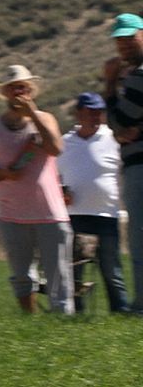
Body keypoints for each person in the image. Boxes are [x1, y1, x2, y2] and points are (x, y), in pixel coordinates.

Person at [0, 65, 72, 314]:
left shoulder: (46, 119)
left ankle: (64, 325)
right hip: (13, 215)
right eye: (13, 87)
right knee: (21, 276)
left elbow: (56, 148)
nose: (19, 91)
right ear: (5, 93)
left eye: (23, 87)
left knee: (58, 276)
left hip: (50, 213)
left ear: (31, 90)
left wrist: (34, 115)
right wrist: (4, 174)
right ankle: (30, 323)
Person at [59, 92, 125, 314]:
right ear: (79, 113)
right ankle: (76, 315)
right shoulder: (65, 143)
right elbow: (55, 177)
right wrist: (61, 192)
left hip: (106, 215)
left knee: (111, 270)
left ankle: (121, 311)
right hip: (74, 216)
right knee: (74, 272)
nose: (96, 117)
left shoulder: (113, 139)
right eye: (91, 112)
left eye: (100, 112)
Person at [103, 13, 143, 307]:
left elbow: (122, 121)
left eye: (130, 37)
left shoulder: (139, 75)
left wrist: (109, 85)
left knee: (139, 237)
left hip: (139, 164)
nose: (124, 44)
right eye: (120, 39)